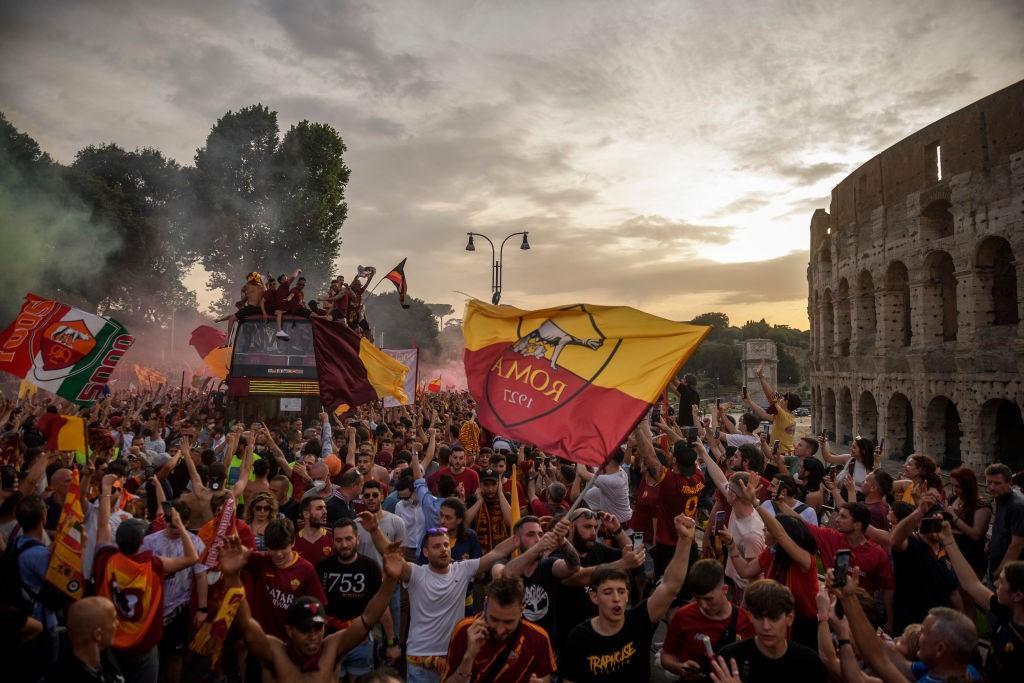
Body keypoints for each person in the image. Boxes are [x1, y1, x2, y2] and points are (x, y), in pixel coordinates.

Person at [220, 533, 401, 683]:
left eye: (318, 628)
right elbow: (245, 624)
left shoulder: (331, 648)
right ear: (289, 630)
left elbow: (368, 618)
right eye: (305, 630)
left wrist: (391, 580)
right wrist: (232, 576)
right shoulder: (275, 653)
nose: (313, 636)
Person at [558, 513, 696, 682]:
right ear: (594, 596)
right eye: (608, 592)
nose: (616, 598)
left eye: (621, 592)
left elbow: (670, 586)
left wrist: (684, 541)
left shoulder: (638, 621)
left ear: (627, 595)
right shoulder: (579, 638)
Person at [94, 474, 198, 683]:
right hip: (142, 645)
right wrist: (180, 526)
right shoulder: (153, 564)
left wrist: (105, 490)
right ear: (142, 540)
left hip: (110, 640)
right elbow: (191, 557)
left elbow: (103, 526)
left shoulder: (105, 559)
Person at [726, 475, 819, 648]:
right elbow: (746, 571)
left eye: (767, 529)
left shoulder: (805, 559)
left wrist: (755, 502)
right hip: (776, 616)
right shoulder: (772, 552)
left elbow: (780, 534)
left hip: (802, 624)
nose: (763, 530)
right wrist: (731, 545)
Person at [939, 519, 1024, 681]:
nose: (996, 583)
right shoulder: (1008, 610)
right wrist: (948, 540)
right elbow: (972, 584)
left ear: (1018, 596)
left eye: (1002, 581)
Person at [317, 518, 401, 679]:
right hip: (330, 641)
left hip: (361, 641)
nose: (344, 545)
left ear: (357, 538)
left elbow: (381, 606)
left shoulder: (370, 567)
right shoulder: (322, 567)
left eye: (349, 539)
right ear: (333, 542)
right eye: (339, 540)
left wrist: (391, 642)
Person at [140, 501, 207, 683]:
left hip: (178, 608)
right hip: (152, 607)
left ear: (186, 522)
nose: (174, 528)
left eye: (179, 524)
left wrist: (202, 609)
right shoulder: (149, 541)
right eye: (171, 524)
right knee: (150, 653)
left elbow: (201, 577)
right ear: (165, 521)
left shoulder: (195, 543)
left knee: (175, 656)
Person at [442, 575, 557, 682]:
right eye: (494, 619)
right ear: (485, 604)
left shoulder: (538, 638)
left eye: (509, 622)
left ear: (522, 609)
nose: (500, 630)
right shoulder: (465, 630)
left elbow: (545, 678)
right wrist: (469, 657)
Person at [716, 579, 827, 682]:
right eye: (759, 617)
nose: (766, 626)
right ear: (750, 617)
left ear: (789, 618)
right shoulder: (730, 659)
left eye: (773, 618)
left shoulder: (809, 663)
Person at [660, 559, 754, 679]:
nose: (703, 605)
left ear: (724, 590)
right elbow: (667, 655)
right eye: (697, 598)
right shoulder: (683, 615)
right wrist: (681, 667)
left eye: (709, 599)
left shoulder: (746, 621)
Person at [492, 516, 580, 643]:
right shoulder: (502, 564)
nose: (538, 539)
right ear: (517, 540)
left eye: (540, 534)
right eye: (531, 534)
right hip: (514, 646)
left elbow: (574, 566)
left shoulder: (548, 565)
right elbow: (504, 578)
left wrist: (563, 540)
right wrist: (538, 547)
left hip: (545, 646)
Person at [636, 421, 704, 581]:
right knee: (686, 588)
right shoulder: (699, 477)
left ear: (674, 461)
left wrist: (637, 428)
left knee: (666, 588)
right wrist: (667, 429)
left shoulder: (669, 481)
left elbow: (650, 456)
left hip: (669, 546)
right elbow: (687, 452)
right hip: (690, 543)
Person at [243, 517, 328, 643]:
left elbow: (319, 606)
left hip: (291, 645)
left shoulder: (306, 569)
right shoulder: (260, 562)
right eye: (273, 548)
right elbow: (237, 555)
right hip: (261, 642)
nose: (278, 554)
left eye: (283, 548)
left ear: (293, 542)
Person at [889, 491, 960, 633]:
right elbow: (895, 541)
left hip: (939, 628)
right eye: (932, 521)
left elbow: (954, 593)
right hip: (911, 628)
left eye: (941, 522)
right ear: (921, 522)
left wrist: (960, 623)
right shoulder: (912, 544)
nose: (936, 526)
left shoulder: (946, 550)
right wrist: (919, 511)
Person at [44, 596, 123, 683]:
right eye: (113, 619)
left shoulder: (106, 658)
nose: (117, 623)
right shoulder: (64, 676)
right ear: (98, 634)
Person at [986, 463, 1024, 583]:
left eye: (997, 483)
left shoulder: (1017, 506)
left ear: (1009, 483)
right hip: (996, 559)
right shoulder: (1000, 498)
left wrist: (1000, 572)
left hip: (1009, 572)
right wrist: (991, 544)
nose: (991, 487)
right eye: (988, 482)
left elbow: (1017, 544)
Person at [577, 450, 632, 524]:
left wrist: (579, 454)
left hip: (620, 525)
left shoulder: (611, 481)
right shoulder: (621, 472)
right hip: (621, 520)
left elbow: (582, 473)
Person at [295, 496, 334, 566]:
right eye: (319, 508)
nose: (325, 512)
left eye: (325, 508)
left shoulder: (333, 539)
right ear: (306, 514)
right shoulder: (293, 542)